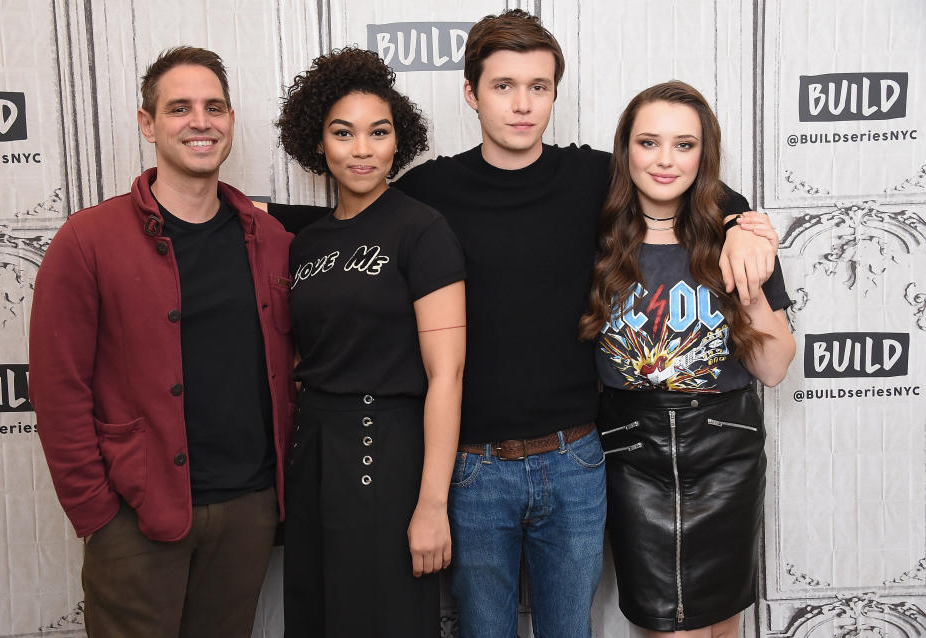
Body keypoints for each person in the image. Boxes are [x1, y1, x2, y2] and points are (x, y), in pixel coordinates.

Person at [268, 10, 775, 637]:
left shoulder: (592, 177)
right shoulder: (431, 191)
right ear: (470, 93)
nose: (521, 105)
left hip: (578, 460)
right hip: (473, 466)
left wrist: (746, 224)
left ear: (555, 93)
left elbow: (682, 183)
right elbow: (350, 214)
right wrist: (240, 207)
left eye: (538, 87)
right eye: (503, 86)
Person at [28, 46, 296, 638]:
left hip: (248, 511)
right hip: (135, 515)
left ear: (230, 121)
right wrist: (97, 512)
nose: (200, 121)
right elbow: (57, 386)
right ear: (148, 124)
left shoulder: (270, 239)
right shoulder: (88, 240)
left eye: (214, 107)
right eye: (179, 108)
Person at [580, 81, 795, 637]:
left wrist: (743, 264)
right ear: (625, 148)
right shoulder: (594, 234)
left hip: (724, 446)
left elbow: (772, 368)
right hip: (632, 449)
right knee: (660, 626)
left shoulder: (737, 236)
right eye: (649, 142)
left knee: (721, 624)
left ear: (705, 154)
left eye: (684, 144)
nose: (665, 160)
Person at [274, 47, 466, 638]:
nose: (362, 149)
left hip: (385, 447)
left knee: (382, 617)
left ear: (397, 141)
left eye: (378, 132)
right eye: (343, 133)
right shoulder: (304, 242)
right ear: (318, 142)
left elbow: (447, 374)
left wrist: (432, 505)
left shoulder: (422, 229)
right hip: (313, 449)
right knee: (318, 612)